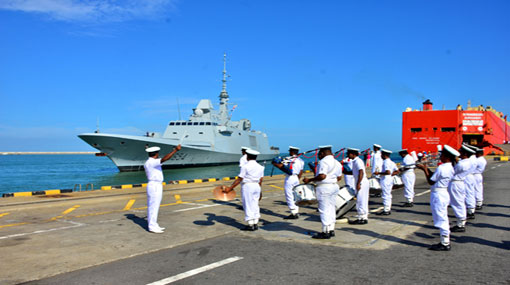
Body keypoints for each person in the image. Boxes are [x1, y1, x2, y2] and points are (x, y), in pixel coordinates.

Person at [416, 144, 458, 251]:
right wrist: (425, 169)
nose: (440, 157)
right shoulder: (450, 167)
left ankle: (445, 243)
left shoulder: (442, 167)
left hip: (438, 194)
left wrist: (424, 168)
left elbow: (430, 181)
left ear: (447, 157)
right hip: (443, 193)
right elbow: (434, 176)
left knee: (442, 218)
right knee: (443, 217)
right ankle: (444, 240)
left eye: (442, 155)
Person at [303, 145, 342, 239]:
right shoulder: (337, 162)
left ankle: (325, 231)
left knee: (324, 209)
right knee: (331, 208)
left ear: (322, 153)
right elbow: (339, 177)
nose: (319, 156)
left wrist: (310, 180)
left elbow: (322, 176)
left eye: (319, 154)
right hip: (334, 186)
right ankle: (331, 229)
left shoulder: (323, 162)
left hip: (325, 188)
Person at [144, 144, 181, 233]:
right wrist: (175, 150)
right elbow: (164, 159)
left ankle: (154, 224)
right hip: (155, 186)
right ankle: (152, 227)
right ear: (156, 154)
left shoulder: (149, 162)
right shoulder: (152, 162)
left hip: (155, 185)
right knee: (153, 206)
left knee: (154, 206)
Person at [224, 149, 265, 231]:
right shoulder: (261, 167)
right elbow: (260, 180)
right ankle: (255, 223)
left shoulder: (245, 166)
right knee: (255, 204)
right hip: (256, 186)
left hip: (248, 186)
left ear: (247, 156)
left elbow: (239, 179)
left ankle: (250, 224)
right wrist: (260, 191)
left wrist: (230, 188)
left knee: (248, 204)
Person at [272, 146, 304, 219]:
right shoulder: (301, 160)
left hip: (290, 178)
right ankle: (296, 211)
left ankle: (293, 212)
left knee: (289, 195)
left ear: (291, 152)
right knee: (295, 195)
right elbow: (301, 171)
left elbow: (283, 167)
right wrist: (297, 179)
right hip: (296, 178)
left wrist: (275, 163)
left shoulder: (288, 159)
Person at [449, 145, 475, 233]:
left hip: (456, 183)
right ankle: (461, 222)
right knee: (460, 202)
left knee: (457, 203)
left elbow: (453, 172)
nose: (459, 153)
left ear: (465, 154)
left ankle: (460, 224)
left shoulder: (462, 163)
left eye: (461, 152)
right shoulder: (469, 162)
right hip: (460, 182)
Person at [347, 148, 370, 225]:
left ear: (353, 154)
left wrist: (358, 183)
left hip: (361, 182)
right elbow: (355, 172)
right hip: (361, 182)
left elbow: (361, 172)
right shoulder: (355, 161)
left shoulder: (358, 161)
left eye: (348, 153)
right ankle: (363, 216)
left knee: (361, 200)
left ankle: (362, 218)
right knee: (362, 199)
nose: (347, 155)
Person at [374, 149, 399, 215]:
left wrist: (378, 173)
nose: (381, 156)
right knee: (388, 194)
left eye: (382, 154)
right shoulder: (392, 162)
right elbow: (397, 171)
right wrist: (392, 174)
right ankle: (388, 208)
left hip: (385, 180)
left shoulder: (386, 162)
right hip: (390, 179)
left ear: (384, 155)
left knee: (385, 195)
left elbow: (388, 172)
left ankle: (386, 210)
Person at [464, 145, 478, 219]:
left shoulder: (469, 159)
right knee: (471, 193)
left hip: (467, 176)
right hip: (471, 176)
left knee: (468, 193)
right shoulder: (474, 158)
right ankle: (471, 209)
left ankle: (470, 210)